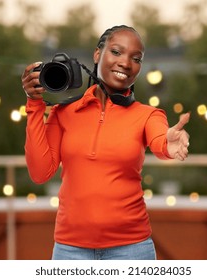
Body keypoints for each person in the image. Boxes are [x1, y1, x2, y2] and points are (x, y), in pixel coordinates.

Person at [21, 25, 190, 260]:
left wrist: (168, 145)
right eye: (117, 52)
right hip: (70, 251)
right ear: (98, 54)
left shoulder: (149, 115)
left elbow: (160, 140)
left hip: (132, 250)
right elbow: (40, 172)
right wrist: (34, 104)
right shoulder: (63, 113)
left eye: (136, 58)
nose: (126, 63)